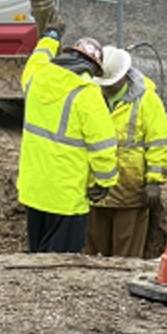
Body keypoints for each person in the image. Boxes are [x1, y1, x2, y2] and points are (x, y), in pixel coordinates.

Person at [18, 31, 120, 253]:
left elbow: (37, 57)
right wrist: (105, 182)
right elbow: (102, 147)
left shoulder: (36, 76)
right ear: (93, 68)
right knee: (62, 266)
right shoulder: (87, 94)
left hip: (33, 190)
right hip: (66, 197)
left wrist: (49, 38)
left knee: (37, 255)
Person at [85, 46, 167, 258]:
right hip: (95, 189)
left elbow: (158, 142)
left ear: (122, 76)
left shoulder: (147, 101)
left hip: (130, 190)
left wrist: (154, 181)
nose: (105, 88)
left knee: (127, 253)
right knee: (93, 250)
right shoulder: (91, 96)